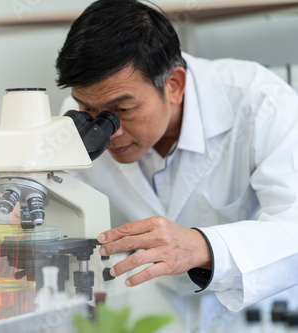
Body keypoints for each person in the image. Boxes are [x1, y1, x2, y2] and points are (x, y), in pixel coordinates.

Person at [55, 0, 298, 316]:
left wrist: (202, 247)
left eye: (123, 111)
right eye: (87, 110)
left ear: (174, 85)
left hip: (256, 311)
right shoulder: (81, 122)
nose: (107, 132)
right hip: (157, 307)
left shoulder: (261, 105)